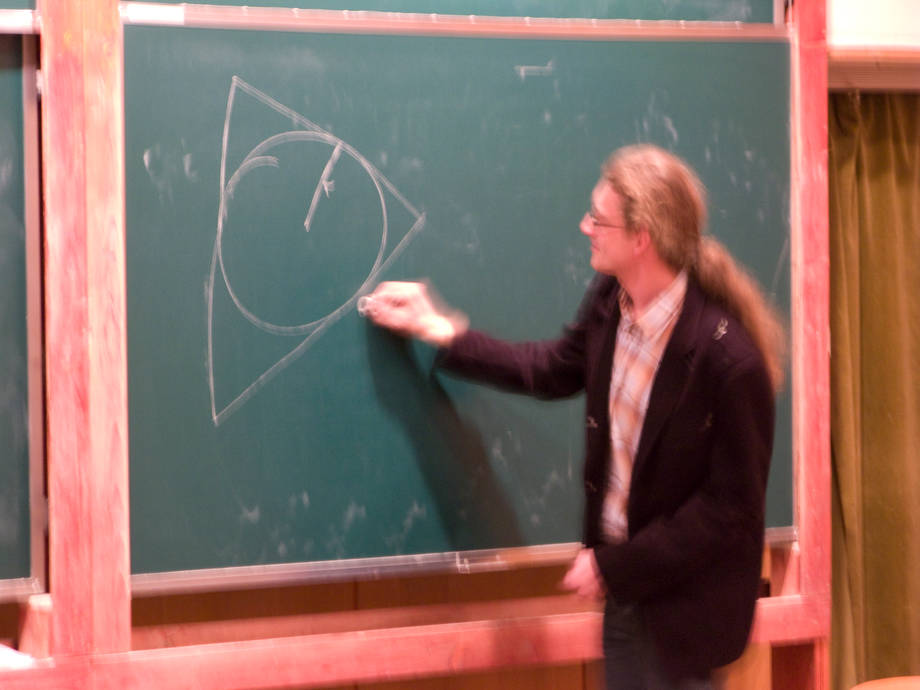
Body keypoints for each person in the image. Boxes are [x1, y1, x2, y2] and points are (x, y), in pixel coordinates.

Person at [364, 144, 784, 689]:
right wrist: (439, 329)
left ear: (641, 238)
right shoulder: (613, 301)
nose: (585, 226)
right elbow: (552, 368)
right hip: (626, 595)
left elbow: (728, 512)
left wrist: (615, 567)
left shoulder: (727, 361)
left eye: (598, 219)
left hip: (685, 615)